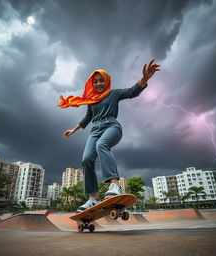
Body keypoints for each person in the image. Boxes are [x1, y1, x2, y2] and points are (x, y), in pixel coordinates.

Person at [58, 59, 160, 212]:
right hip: (95, 130)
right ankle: (93, 198)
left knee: (101, 145)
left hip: (111, 126)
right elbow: (87, 117)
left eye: (101, 81)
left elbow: (132, 91)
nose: (98, 84)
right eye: (96, 82)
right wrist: (74, 129)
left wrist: (145, 78)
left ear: (107, 81)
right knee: (86, 159)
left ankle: (115, 185)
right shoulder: (91, 101)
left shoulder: (114, 93)